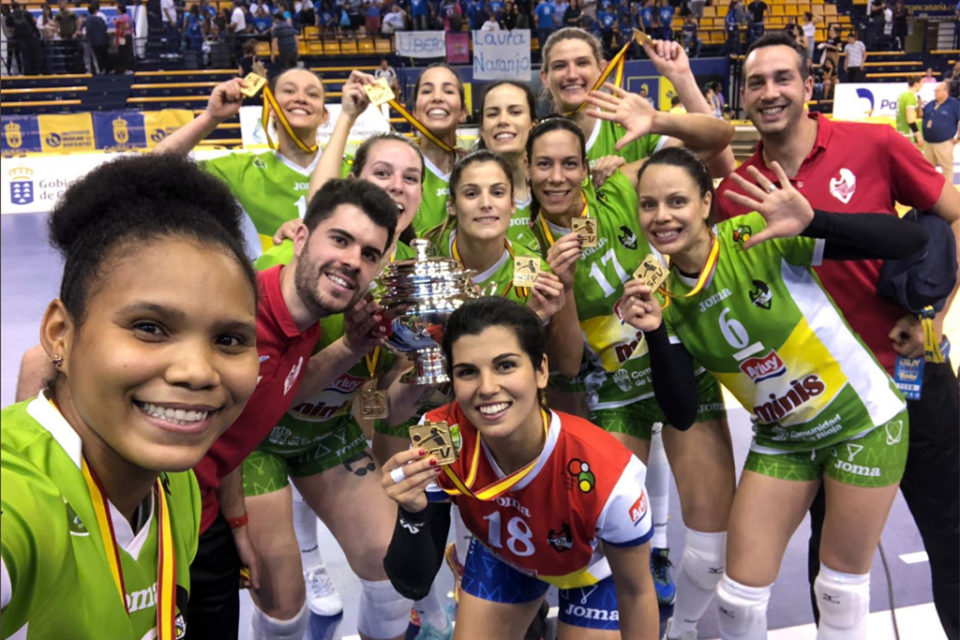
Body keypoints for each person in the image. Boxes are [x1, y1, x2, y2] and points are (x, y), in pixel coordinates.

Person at [621, 146, 928, 640]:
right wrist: (656, 332)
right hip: (783, 438)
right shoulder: (659, 294)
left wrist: (815, 221)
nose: (662, 217)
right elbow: (679, 413)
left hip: (862, 424)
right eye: (649, 205)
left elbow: (909, 240)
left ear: (705, 202)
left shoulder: (754, 236)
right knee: (738, 602)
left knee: (839, 594)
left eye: (676, 201)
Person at [714, 33, 960, 640]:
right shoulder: (736, 194)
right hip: (828, 402)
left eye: (782, 79)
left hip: (911, 376)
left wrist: (933, 312)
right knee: (832, 561)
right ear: (744, 97)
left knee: (954, 534)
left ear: (808, 86)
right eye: (757, 83)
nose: (770, 93)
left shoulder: (873, 143)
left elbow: (953, 214)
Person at [0, 154, 261, 639]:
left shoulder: (174, 483)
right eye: (149, 327)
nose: (198, 372)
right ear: (60, 333)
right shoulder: (16, 492)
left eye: (229, 339)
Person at [525, 115, 738, 640]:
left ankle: (683, 630)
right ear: (526, 172)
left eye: (570, 163)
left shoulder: (621, 187)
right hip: (615, 396)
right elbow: (568, 365)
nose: (558, 177)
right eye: (544, 165)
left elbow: (716, 142)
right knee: (609, 541)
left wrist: (663, 115)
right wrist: (565, 288)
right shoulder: (525, 248)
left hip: (683, 373)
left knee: (712, 553)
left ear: (587, 166)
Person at [237, 86, 435, 639]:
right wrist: (349, 346)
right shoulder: (290, 270)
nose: (396, 187)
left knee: (389, 570)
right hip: (255, 440)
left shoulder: (416, 284)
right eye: (382, 173)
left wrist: (428, 377)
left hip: (326, 432)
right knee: (283, 599)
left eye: (410, 177)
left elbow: (386, 402)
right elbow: (263, 400)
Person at [184, 177, 398, 640]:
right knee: (280, 607)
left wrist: (236, 523)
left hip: (209, 514)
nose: (352, 262)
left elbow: (236, 435)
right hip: (162, 521)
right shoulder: (231, 306)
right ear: (299, 237)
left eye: (368, 254)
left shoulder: (307, 325)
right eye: (340, 240)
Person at [381, 297, 660, 639]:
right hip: (506, 559)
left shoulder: (609, 472)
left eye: (505, 366)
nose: (487, 388)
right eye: (467, 372)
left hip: (593, 572)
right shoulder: (438, 435)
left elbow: (636, 592)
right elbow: (413, 584)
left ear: (541, 370)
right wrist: (411, 513)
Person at [155, 68, 330, 252]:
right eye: (289, 91)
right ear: (270, 108)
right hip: (265, 280)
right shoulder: (240, 169)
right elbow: (155, 167)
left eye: (312, 94)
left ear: (324, 115)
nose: (301, 98)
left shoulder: (353, 168)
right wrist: (211, 117)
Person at [539, 28, 735, 177]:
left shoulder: (632, 126)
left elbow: (720, 165)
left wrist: (681, 77)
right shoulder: (533, 142)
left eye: (582, 63)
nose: (572, 74)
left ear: (602, 69)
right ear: (545, 77)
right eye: (559, 66)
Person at [406, 64, 468, 237]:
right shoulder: (398, 172)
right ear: (414, 112)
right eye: (426, 91)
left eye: (448, 91)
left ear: (463, 112)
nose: (437, 98)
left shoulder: (475, 169)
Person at [921, 81, 960, 186]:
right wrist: (918, 107)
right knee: (927, 169)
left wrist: (959, 138)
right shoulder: (931, 103)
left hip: (944, 143)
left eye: (938, 90)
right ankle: (929, 191)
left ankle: (948, 194)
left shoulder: (954, 104)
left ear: (945, 91)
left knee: (946, 169)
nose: (935, 92)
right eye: (935, 90)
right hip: (929, 143)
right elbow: (921, 115)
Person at [896, 75, 924, 149]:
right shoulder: (911, 97)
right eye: (921, 84)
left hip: (899, 131)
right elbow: (910, 119)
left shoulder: (901, 96)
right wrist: (918, 135)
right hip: (907, 133)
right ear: (916, 84)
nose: (922, 86)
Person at [84, 1, 109, 74]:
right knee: (101, 55)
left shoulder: (88, 20)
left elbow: (87, 30)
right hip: (101, 40)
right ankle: (101, 69)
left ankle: (99, 70)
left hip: (93, 40)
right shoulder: (99, 18)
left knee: (96, 56)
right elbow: (104, 28)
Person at [114, 2, 134, 73]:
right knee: (122, 53)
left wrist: (118, 25)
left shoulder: (125, 16)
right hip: (122, 37)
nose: (116, 10)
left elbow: (127, 26)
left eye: (117, 9)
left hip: (126, 36)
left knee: (126, 52)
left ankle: (129, 68)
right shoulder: (121, 17)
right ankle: (124, 68)